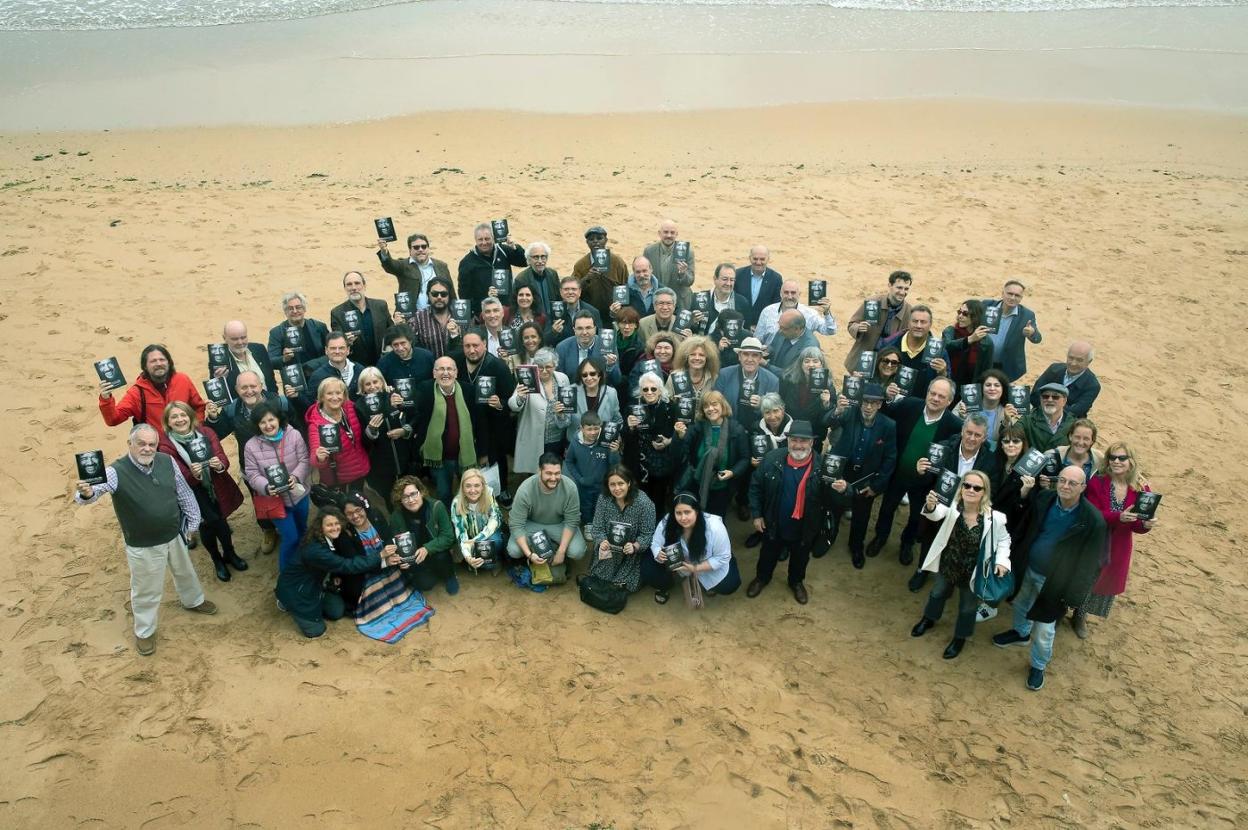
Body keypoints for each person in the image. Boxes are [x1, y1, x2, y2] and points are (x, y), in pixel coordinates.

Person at [74, 423, 216, 655]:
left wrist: (192, 522)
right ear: (129, 444)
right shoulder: (114, 472)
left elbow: (183, 492)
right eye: (141, 443)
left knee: (185, 572)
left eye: (152, 444)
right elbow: (89, 494)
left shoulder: (166, 461)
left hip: (174, 533)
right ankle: (145, 631)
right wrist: (86, 493)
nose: (147, 449)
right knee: (146, 590)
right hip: (143, 544)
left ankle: (194, 601)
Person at [992, 467, 1107, 692]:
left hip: (1056, 583)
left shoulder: (1093, 521)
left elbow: (1089, 564)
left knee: (1045, 630)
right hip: (1028, 569)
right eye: (1062, 480)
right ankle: (1020, 632)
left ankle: (1038, 665)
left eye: (1072, 483)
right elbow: (1024, 527)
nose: (1065, 486)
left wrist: (1073, 595)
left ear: (1083, 487)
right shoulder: (1044, 498)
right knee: (1021, 604)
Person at [911, 470, 1011, 659]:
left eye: (976, 487)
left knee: (967, 606)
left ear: (984, 492)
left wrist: (1002, 562)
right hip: (949, 564)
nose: (970, 490)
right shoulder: (952, 507)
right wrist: (931, 505)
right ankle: (929, 619)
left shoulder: (994, 518)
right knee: (937, 592)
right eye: (966, 485)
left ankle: (960, 638)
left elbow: (1004, 540)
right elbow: (934, 514)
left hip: (974, 572)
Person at [869, 377, 962, 563]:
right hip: (898, 473)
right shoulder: (909, 405)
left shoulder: (954, 425)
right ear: (927, 393)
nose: (935, 398)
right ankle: (880, 537)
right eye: (932, 393)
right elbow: (886, 413)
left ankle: (907, 543)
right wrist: (887, 398)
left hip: (925, 482)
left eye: (941, 396)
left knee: (915, 517)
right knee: (887, 508)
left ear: (949, 401)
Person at [275, 505, 397, 637]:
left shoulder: (323, 538)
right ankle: (288, 603)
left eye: (337, 523)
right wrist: (379, 556)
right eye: (329, 525)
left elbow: (334, 563)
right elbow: (347, 565)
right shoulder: (315, 550)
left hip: (315, 585)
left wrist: (334, 575)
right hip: (297, 590)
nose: (334, 528)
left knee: (336, 612)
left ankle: (308, 603)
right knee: (316, 631)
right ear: (320, 526)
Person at [1074, 442, 1156, 638]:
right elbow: (1091, 513)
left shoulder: (1141, 489)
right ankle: (1067, 609)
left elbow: (1137, 525)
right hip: (1093, 540)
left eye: (1122, 458)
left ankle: (1080, 614)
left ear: (1131, 462)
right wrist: (1117, 517)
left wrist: (1146, 525)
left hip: (1118, 545)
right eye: (1112, 457)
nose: (1116, 462)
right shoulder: (1097, 482)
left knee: (1100, 582)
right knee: (1081, 578)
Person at [158, 402, 247, 582]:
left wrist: (219, 464)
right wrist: (193, 473)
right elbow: (178, 475)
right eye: (174, 417)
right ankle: (217, 560)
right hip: (192, 490)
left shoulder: (206, 432)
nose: (180, 419)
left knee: (220, 519)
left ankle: (230, 553)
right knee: (207, 524)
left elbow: (221, 456)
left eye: (183, 415)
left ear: (190, 416)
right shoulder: (166, 445)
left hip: (216, 483)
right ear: (168, 422)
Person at [746, 420, 826, 604]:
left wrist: (843, 489)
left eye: (803, 441)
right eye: (794, 440)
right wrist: (757, 514)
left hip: (805, 527)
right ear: (788, 441)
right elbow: (755, 487)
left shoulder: (822, 466)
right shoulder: (772, 458)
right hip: (774, 523)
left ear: (812, 443)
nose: (798, 445)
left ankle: (796, 582)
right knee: (767, 554)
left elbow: (834, 500)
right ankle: (762, 578)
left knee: (800, 558)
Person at [824, 383, 897, 568]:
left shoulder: (888, 425)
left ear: (880, 404)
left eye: (874, 403)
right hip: (843, 472)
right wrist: (837, 410)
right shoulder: (849, 414)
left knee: (861, 515)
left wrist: (876, 486)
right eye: (865, 402)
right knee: (835, 508)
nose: (869, 406)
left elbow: (890, 458)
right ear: (860, 402)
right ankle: (828, 537)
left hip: (866, 478)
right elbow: (827, 422)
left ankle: (856, 547)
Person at [242, 403, 312, 571]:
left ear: (279, 419)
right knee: (291, 538)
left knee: (303, 531)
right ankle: (287, 575)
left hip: (300, 495)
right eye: (262, 422)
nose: (268, 425)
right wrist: (266, 487)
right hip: (275, 502)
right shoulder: (251, 446)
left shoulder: (294, 435)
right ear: (257, 425)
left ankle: (303, 564)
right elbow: (252, 474)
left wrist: (295, 477)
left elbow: (304, 459)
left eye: (271, 420)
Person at [452, 327, 516, 502]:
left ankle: (501, 490)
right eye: (467, 346)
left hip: (492, 424)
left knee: (496, 459)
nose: (471, 350)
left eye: (476, 345)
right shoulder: (456, 362)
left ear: (485, 345)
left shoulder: (498, 366)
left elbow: (510, 398)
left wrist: (500, 403)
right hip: (463, 420)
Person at [644, 492, 741, 605]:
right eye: (678, 513)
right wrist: (658, 553)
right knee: (648, 569)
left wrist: (695, 568)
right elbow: (655, 543)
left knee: (730, 584)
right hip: (677, 564)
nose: (683, 518)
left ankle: (704, 582)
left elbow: (722, 557)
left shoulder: (715, 527)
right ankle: (665, 585)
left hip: (703, 565)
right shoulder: (668, 521)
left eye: (687, 512)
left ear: (697, 511)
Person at [412, 356, 483, 506]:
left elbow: (479, 422)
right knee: (443, 494)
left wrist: (483, 452)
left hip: (465, 455)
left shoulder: (468, 390)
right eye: (441, 369)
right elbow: (415, 415)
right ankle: (449, 521)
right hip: (439, 458)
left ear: (456, 372)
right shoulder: (424, 390)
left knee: (469, 492)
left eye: (449, 369)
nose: (445, 373)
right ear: (434, 373)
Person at [673, 391, 749, 518]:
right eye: (706, 406)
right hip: (696, 483)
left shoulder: (737, 430)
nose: (710, 409)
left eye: (714, 404)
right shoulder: (697, 428)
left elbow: (745, 458)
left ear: (723, 406)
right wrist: (680, 437)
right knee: (695, 520)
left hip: (722, 487)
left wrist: (733, 472)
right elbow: (679, 455)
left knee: (716, 521)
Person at [98, 344, 206, 433]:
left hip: (187, 440)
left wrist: (196, 428)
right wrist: (106, 399)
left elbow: (199, 407)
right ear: (145, 366)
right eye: (153, 361)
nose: (159, 364)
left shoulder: (182, 380)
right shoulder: (136, 392)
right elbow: (113, 420)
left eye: (162, 359)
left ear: (169, 362)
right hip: (158, 450)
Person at [587, 465, 657, 594]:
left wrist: (635, 546)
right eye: (612, 484)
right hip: (609, 549)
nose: (617, 488)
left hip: (631, 553)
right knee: (600, 578)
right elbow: (597, 527)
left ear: (629, 483)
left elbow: (648, 534)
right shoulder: (604, 499)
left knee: (624, 585)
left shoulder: (644, 503)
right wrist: (602, 541)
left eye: (621, 483)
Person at [506, 453, 586, 567]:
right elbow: (516, 524)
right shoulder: (525, 489)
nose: (553, 478)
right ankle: (535, 552)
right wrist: (529, 554)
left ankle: (556, 550)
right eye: (548, 473)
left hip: (559, 524)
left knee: (577, 552)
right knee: (514, 551)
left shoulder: (570, 488)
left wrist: (561, 552)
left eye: (557, 473)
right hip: (532, 524)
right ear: (539, 471)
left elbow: (572, 521)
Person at [390, 475, 458, 595]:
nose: (411, 500)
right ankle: (430, 572)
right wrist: (400, 559)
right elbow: (394, 543)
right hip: (415, 557)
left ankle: (449, 576)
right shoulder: (396, 516)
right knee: (425, 584)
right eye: (405, 497)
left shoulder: (437, 507)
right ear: (399, 499)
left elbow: (448, 536)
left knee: (442, 557)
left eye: (413, 494)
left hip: (437, 551)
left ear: (421, 492)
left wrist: (427, 548)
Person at [510, 348, 572, 475]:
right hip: (534, 440)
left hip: (557, 439)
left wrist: (561, 415)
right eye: (540, 367)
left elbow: (568, 410)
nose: (544, 371)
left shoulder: (563, 379)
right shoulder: (528, 379)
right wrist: (520, 397)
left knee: (554, 474)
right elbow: (512, 405)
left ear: (555, 365)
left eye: (548, 367)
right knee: (536, 475)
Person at [354, 366, 412, 499]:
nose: (373, 386)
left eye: (376, 382)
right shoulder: (359, 406)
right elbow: (362, 441)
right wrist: (371, 430)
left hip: (404, 457)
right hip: (381, 463)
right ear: (362, 387)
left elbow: (412, 416)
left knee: (409, 493)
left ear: (382, 382)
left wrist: (405, 430)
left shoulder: (395, 396)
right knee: (390, 498)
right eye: (367, 384)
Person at [306, 377, 372, 493]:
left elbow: (373, 407)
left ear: (344, 395)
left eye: (338, 393)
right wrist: (319, 458)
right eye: (329, 393)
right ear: (321, 397)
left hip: (360, 469)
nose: (335, 397)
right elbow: (314, 458)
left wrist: (387, 395)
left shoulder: (350, 407)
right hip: (339, 478)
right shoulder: (316, 424)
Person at [625, 372, 679, 512]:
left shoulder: (671, 407)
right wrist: (630, 427)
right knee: (640, 499)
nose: (649, 392)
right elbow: (626, 436)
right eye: (645, 389)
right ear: (640, 390)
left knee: (659, 499)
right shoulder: (633, 407)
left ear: (660, 389)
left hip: (662, 461)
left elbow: (680, 434)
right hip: (640, 462)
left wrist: (668, 442)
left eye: (653, 389)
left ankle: (657, 528)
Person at [843, 270, 913, 372]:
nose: (902, 292)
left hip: (888, 365)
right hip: (863, 359)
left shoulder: (909, 311)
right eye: (899, 287)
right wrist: (858, 328)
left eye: (906, 289)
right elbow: (851, 325)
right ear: (890, 285)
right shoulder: (873, 301)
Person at [715, 337, 780, 443]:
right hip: (728, 432)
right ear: (739, 356)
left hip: (757, 435)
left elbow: (774, 416)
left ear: (760, 358)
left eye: (754, 355)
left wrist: (762, 405)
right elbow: (715, 403)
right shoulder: (724, 375)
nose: (750, 359)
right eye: (745, 354)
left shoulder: (772, 381)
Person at [564, 412, 621, 529]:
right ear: (581, 428)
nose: (593, 432)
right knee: (585, 506)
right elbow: (569, 461)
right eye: (589, 429)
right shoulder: (575, 443)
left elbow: (614, 464)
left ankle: (600, 525)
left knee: (602, 505)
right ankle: (588, 524)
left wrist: (614, 452)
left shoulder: (606, 441)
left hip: (603, 485)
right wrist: (579, 478)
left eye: (596, 428)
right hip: (584, 485)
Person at [458, 222, 527, 316]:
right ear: (475, 240)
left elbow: (524, 262)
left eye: (487, 239)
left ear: (493, 238)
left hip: (507, 310)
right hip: (484, 314)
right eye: (480, 240)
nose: (484, 243)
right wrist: (485, 299)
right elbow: (464, 295)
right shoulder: (467, 263)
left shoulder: (503, 250)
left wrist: (514, 247)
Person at [878, 305, 949, 397]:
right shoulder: (889, 344)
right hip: (889, 402)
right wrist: (884, 391)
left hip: (920, 405)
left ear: (930, 324)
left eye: (923, 322)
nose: (918, 326)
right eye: (915, 321)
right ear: (908, 323)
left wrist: (942, 373)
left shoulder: (940, 352)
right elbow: (875, 377)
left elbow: (947, 385)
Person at [330, 270, 390, 368]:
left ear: (364, 286)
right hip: (356, 366)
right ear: (345, 288)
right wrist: (346, 342)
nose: (353, 288)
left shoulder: (380, 306)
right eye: (349, 284)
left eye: (357, 283)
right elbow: (338, 342)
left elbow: (390, 331)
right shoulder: (337, 313)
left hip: (383, 363)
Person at [984, 279, 1041, 382]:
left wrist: (1032, 333)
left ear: (1021, 298)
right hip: (981, 361)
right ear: (1002, 293)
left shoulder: (1026, 315)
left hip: (1005, 366)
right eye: (1009, 294)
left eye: (1017, 295)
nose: (1012, 298)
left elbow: (1037, 339)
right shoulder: (986, 305)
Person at [450, 467, 506, 573]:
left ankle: (497, 559)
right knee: (477, 563)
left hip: (488, 534)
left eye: (477, 485)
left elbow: (496, 519)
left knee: (496, 543)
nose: (472, 490)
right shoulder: (457, 503)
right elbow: (461, 533)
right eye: (468, 486)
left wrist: (477, 539)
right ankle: (475, 559)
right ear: (462, 487)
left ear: (482, 486)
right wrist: (468, 557)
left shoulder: (489, 494)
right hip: (469, 539)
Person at [754, 279, 838, 348]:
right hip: (771, 359)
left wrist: (827, 313)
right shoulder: (767, 312)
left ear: (799, 294)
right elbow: (757, 338)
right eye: (786, 292)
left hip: (798, 361)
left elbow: (830, 330)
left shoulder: (810, 314)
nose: (789, 297)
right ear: (780, 294)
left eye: (793, 293)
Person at [377, 232, 451, 308]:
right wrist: (384, 251)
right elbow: (390, 265)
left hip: (439, 315)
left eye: (424, 246)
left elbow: (451, 292)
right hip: (412, 316)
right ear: (410, 250)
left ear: (428, 249)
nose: (420, 249)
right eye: (416, 247)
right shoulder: (403, 266)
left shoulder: (441, 266)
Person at [1029, 341, 1100, 418]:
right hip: (1040, 416)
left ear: (1089, 362)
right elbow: (1034, 396)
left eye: (1079, 360)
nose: (1073, 363)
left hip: (1067, 425)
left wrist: (1046, 400)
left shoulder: (1092, 385)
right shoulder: (1053, 369)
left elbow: (1074, 413)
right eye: (1071, 358)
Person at [572, 225, 629, 320]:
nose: (595, 241)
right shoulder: (580, 265)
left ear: (606, 240)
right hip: (590, 314)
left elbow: (625, 285)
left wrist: (620, 309)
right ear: (587, 242)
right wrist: (587, 278)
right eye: (591, 239)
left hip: (614, 313)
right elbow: (574, 289)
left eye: (599, 238)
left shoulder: (618, 262)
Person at [777, 347, 834, 440]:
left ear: (821, 364)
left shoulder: (828, 386)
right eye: (806, 361)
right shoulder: (788, 381)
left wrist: (826, 404)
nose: (811, 365)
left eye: (815, 361)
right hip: (789, 431)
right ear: (801, 364)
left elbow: (829, 418)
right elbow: (780, 402)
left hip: (813, 434)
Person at [555, 311, 622, 385]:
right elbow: (559, 381)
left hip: (599, 392)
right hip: (573, 392)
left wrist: (610, 366)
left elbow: (617, 380)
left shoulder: (608, 345)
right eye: (580, 328)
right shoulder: (562, 348)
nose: (584, 332)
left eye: (588, 328)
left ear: (595, 329)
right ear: (574, 330)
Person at [267, 291, 330, 371]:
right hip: (295, 378)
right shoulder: (277, 333)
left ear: (304, 309)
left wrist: (312, 365)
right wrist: (284, 358)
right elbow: (271, 361)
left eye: (298, 307)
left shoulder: (319, 327)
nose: (295, 311)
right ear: (285, 312)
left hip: (320, 372)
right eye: (290, 308)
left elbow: (331, 351)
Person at [942, 299, 995, 393]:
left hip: (970, 389)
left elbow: (986, 371)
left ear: (975, 317)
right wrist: (970, 339)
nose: (960, 316)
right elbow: (946, 346)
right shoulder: (950, 331)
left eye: (965, 314)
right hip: (948, 383)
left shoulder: (986, 343)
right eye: (959, 312)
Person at [953, 368, 1014, 449]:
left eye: (997, 385)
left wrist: (1007, 421)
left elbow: (1009, 439)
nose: (992, 388)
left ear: (1003, 389)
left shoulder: (1008, 410)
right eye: (988, 385)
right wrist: (961, 417)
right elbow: (951, 426)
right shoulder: (967, 402)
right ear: (981, 387)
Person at [642, 220, 696, 309]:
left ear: (677, 234)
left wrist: (683, 273)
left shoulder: (687, 252)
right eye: (666, 232)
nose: (669, 235)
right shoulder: (649, 251)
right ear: (659, 233)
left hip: (680, 302)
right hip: (657, 301)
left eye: (672, 232)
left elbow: (690, 281)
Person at [567, 356, 621, 442]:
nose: (588, 378)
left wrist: (614, 438)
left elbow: (617, 420)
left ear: (600, 375)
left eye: (592, 374)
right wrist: (560, 415)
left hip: (602, 445)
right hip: (576, 444)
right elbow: (563, 424)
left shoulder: (611, 393)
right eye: (584, 375)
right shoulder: (571, 391)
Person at [214, 320, 277, 394]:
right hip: (241, 405)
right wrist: (219, 380)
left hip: (268, 402)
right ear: (224, 338)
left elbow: (271, 382)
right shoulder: (219, 361)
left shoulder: (259, 349)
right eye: (235, 339)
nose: (240, 342)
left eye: (243, 337)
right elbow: (219, 396)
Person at [407, 276, 463, 358]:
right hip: (430, 368)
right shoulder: (418, 319)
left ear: (449, 295)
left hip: (457, 367)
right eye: (435, 294)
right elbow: (412, 349)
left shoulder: (461, 315)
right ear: (428, 295)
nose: (439, 297)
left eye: (443, 294)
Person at [305, 332, 365, 408]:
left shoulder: (360, 371)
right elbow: (312, 406)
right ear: (326, 350)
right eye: (333, 348)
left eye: (341, 348)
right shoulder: (317, 376)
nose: (337, 351)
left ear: (348, 350)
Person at [545, 276, 603, 346]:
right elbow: (545, 339)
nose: (570, 292)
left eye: (574, 289)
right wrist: (553, 332)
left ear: (580, 291)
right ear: (560, 292)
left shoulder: (593, 312)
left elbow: (599, 339)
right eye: (566, 289)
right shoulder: (553, 312)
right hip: (562, 353)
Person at [376, 324, 435, 392]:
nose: (400, 348)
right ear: (391, 346)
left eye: (403, 343)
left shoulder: (427, 357)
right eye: (395, 345)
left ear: (410, 341)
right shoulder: (384, 363)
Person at [735, 245, 783, 329]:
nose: (758, 262)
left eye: (762, 259)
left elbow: (776, 307)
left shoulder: (776, 279)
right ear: (750, 258)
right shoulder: (738, 275)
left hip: (763, 327)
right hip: (739, 327)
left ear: (768, 259)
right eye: (755, 258)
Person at [511, 240, 560, 319]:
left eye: (543, 257)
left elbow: (558, 298)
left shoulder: (553, 274)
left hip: (553, 320)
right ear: (529, 260)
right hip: (534, 322)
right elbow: (515, 305)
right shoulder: (521, 279)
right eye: (536, 257)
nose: (540, 261)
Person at [1021, 382, 1074, 453]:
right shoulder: (1027, 420)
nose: (1049, 400)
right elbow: (1011, 435)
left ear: (1064, 401)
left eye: (1055, 397)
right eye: (1045, 396)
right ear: (1040, 399)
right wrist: (1006, 420)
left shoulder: (1073, 424)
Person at [702, 263, 753, 336]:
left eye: (732, 280)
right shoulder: (701, 298)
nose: (728, 283)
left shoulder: (742, 303)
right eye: (725, 279)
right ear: (715, 279)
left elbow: (745, 331)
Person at [666, 335, 720, 401]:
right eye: (692, 354)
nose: (697, 358)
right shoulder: (674, 376)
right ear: (686, 357)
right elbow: (667, 401)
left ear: (707, 358)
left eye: (701, 355)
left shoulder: (714, 378)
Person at [1051, 418, 1102, 486]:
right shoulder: (1053, 456)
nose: (1081, 442)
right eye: (1077, 437)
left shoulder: (1099, 460)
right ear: (1070, 436)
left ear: (1092, 441)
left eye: (1086, 439)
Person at [612, 307, 645, 383]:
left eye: (630, 323)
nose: (626, 327)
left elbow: (636, 373)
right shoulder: (611, 340)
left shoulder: (640, 347)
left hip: (627, 384)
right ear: (618, 324)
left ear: (636, 325)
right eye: (623, 323)